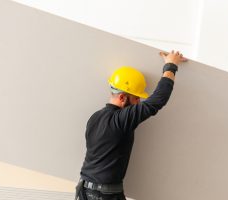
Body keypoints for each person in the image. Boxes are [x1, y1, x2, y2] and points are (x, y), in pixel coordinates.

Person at [75, 50, 187, 200]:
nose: (138, 103)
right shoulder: (121, 119)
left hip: (84, 192)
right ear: (122, 97)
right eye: (136, 98)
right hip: (104, 196)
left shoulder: (94, 117)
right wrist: (171, 65)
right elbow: (157, 100)